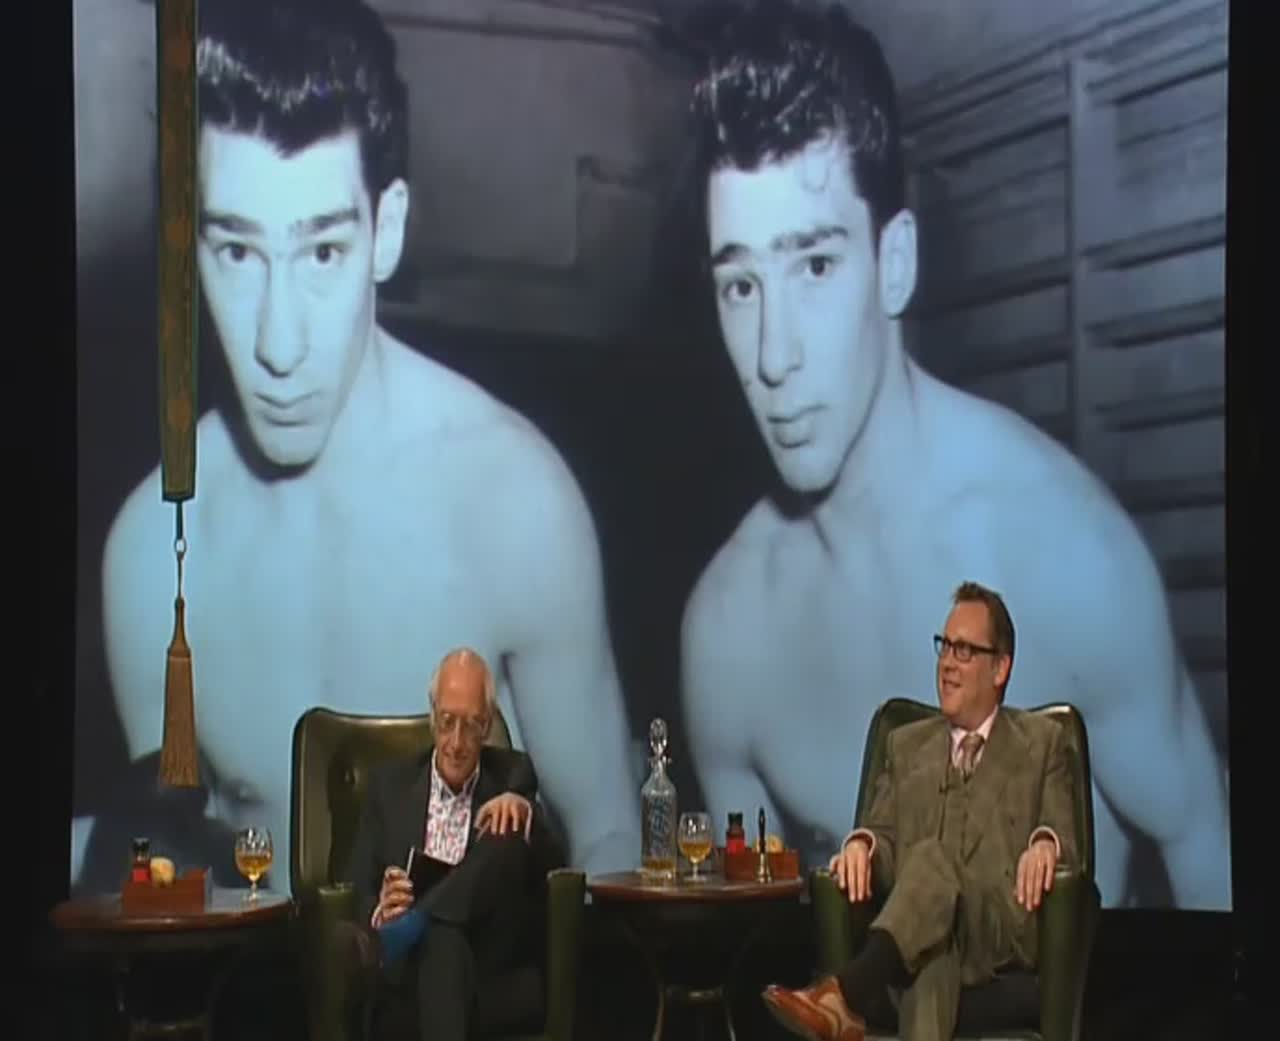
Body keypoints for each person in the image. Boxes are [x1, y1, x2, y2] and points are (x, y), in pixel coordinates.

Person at [675, 0, 1229, 909]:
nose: (773, 356)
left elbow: (1215, 881)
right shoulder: (728, 635)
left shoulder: (1066, 555)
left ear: (893, 263)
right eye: (741, 285)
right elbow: (765, 946)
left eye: (815, 267)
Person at [95, 0, 639, 885]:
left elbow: (611, 839)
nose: (277, 344)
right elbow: (169, 886)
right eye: (236, 253)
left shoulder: (515, 498)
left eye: (321, 254)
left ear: (385, 232)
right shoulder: (153, 557)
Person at [763, 582, 1076, 1041]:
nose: (947, 663)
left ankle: (847, 994)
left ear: (1000, 667)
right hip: (918, 935)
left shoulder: (1041, 743)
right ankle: (851, 994)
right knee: (930, 958)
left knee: (931, 858)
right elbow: (883, 835)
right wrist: (862, 846)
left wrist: (1045, 845)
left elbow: (1062, 833)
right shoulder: (905, 746)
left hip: (995, 938)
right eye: (944, 646)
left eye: (964, 651)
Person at [340, 648, 564, 1040]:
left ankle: (415, 924)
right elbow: (355, 883)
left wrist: (523, 811)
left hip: (487, 962)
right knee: (443, 943)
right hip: (413, 974)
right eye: (447, 722)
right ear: (432, 716)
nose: (456, 743)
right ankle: (416, 927)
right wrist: (381, 910)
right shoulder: (389, 788)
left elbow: (553, 863)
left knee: (507, 832)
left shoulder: (513, 776)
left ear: (487, 724)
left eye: (471, 725)